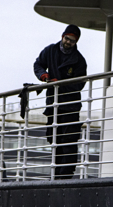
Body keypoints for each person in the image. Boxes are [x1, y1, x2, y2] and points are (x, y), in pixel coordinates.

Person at [34, 24, 87, 179]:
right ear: (62, 36)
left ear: (76, 42)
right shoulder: (50, 50)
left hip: (70, 106)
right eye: (67, 38)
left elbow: (79, 84)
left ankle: (65, 176)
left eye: (72, 40)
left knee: (68, 141)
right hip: (53, 104)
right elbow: (38, 64)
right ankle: (56, 174)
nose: (68, 42)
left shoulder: (79, 61)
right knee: (53, 137)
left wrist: (60, 83)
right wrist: (43, 75)